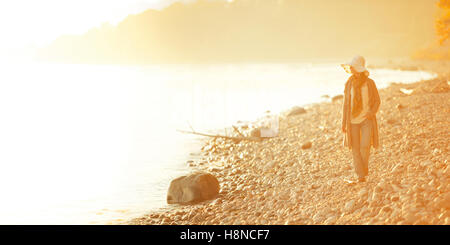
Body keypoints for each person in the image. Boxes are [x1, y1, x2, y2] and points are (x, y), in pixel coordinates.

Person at [341, 55, 381, 182]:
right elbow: (345, 104)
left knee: (365, 146)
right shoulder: (348, 83)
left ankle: (363, 170)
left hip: (366, 120)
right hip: (351, 121)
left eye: (353, 67)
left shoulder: (370, 83)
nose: (351, 69)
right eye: (351, 67)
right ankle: (361, 175)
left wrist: (371, 112)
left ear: (359, 68)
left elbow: (377, 100)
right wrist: (343, 123)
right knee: (355, 148)